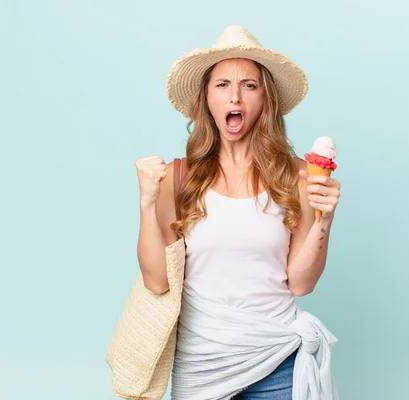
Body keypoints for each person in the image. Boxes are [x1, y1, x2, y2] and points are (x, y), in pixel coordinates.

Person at [135, 26, 341, 400]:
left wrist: (324, 221)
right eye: (222, 85)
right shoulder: (178, 178)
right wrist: (147, 204)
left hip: (276, 360)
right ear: (207, 99)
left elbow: (301, 284)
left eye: (249, 85)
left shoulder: (296, 177)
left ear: (265, 98)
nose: (235, 96)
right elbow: (156, 282)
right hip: (201, 363)